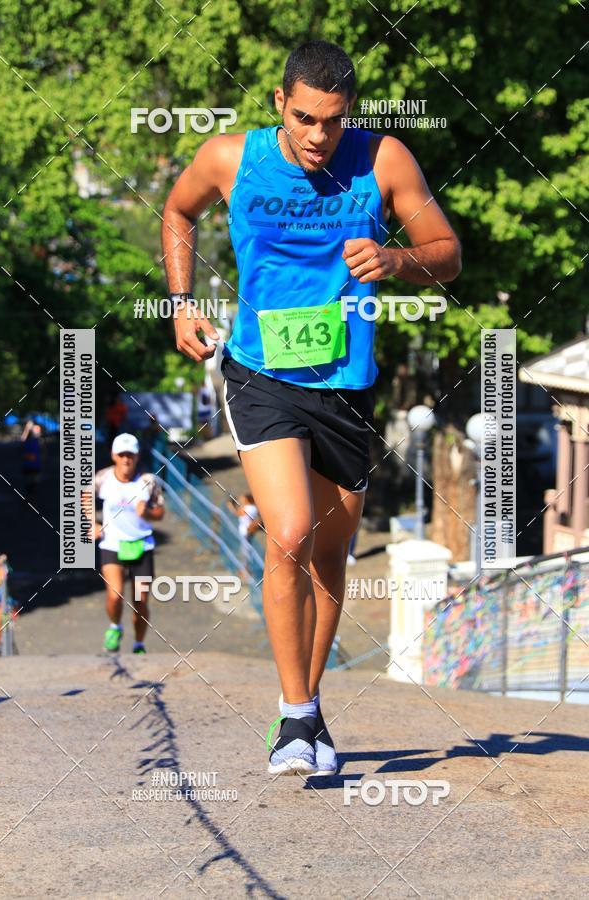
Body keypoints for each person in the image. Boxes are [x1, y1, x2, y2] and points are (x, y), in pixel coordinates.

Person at [162, 40, 461, 775]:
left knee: (333, 554)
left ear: (348, 113)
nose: (318, 135)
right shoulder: (231, 159)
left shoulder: (382, 160)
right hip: (260, 374)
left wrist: (397, 261)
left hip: (346, 384)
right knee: (290, 532)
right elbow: (177, 209)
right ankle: (295, 718)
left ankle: (308, 711)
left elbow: (448, 251)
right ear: (278, 105)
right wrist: (180, 304)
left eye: (332, 120)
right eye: (304, 118)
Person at [91, 433, 165, 654]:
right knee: (114, 595)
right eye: (122, 455)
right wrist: (92, 523)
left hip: (142, 546)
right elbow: (82, 497)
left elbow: (161, 512)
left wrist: (148, 513)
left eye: (130, 455)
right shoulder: (103, 478)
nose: (126, 460)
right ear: (114, 455)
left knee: (140, 602)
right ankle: (115, 626)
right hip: (112, 543)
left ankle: (139, 644)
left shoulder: (147, 481)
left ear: (137, 456)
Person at [226, 492, 262, 581]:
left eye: (243, 499)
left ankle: (246, 571)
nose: (242, 500)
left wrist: (231, 506)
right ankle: (244, 569)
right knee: (246, 551)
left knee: (245, 551)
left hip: (245, 532)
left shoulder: (249, 508)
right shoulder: (253, 508)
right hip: (247, 532)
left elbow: (238, 513)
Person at [21, 420, 43, 500]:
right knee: (28, 481)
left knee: (35, 481)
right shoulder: (26, 441)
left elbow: (43, 449)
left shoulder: (38, 440)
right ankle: (30, 495)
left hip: (36, 464)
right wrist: (27, 428)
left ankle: (32, 495)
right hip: (28, 464)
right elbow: (22, 440)